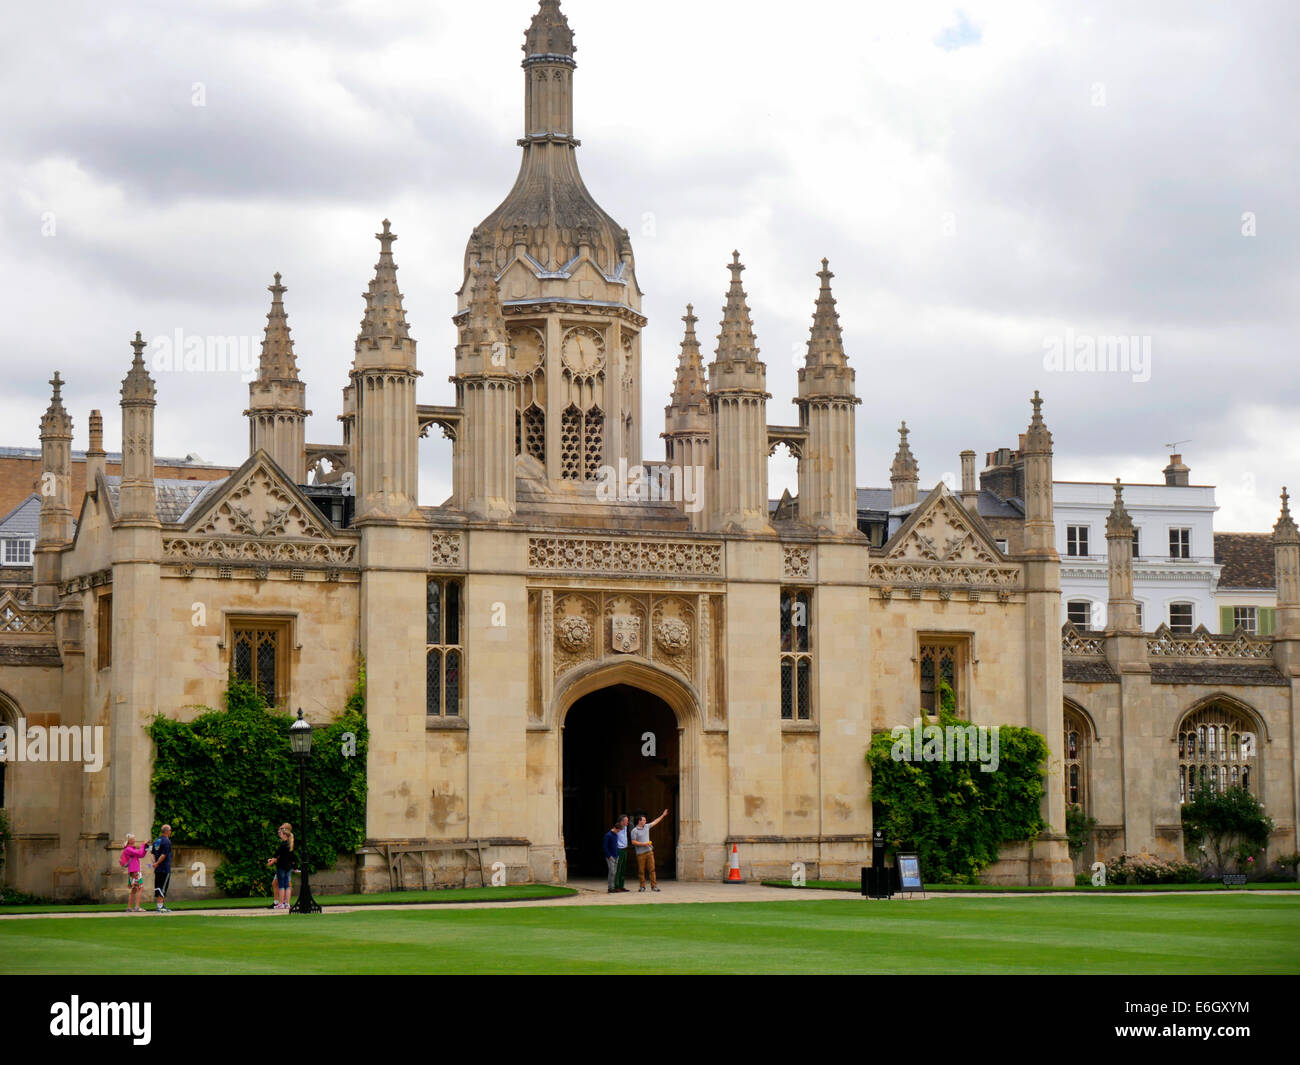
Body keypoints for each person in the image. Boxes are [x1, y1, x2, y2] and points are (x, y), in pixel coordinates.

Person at [631, 809, 668, 892]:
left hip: (649, 852)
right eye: (644, 820)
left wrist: (663, 815)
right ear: (639, 821)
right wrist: (645, 844)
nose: (645, 821)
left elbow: (655, 821)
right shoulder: (634, 831)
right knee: (641, 871)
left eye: (645, 820)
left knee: (652, 869)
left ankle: (654, 886)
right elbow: (633, 842)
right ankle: (642, 886)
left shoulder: (647, 826)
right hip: (640, 854)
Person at [265, 823, 295, 911]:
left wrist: (272, 861)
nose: (279, 832)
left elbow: (279, 855)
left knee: (284, 885)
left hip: (282, 866)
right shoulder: (288, 843)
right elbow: (287, 856)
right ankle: (284, 903)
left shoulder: (285, 844)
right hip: (286, 866)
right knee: (280, 884)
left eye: (281, 831)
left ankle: (282, 903)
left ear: (285, 833)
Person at [120, 834, 149, 913]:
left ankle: (129, 908)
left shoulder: (131, 849)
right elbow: (139, 853)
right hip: (135, 870)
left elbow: (141, 855)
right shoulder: (128, 849)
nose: (134, 840)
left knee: (134, 889)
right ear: (129, 841)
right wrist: (143, 844)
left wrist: (146, 848)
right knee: (140, 888)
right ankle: (137, 907)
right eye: (133, 839)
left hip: (134, 870)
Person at [150, 824, 173, 913]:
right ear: (167, 831)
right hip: (164, 868)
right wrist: (157, 863)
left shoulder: (157, 841)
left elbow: (152, 853)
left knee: (158, 887)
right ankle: (160, 907)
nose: (171, 832)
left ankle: (160, 905)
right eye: (170, 830)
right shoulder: (167, 841)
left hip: (158, 869)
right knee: (163, 887)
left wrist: (154, 863)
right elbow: (164, 855)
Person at [602, 818, 622, 894]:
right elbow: (605, 847)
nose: (618, 832)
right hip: (610, 857)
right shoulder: (608, 835)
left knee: (615, 872)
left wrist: (617, 855)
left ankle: (612, 887)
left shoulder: (616, 835)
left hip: (616, 856)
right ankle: (610, 888)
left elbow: (616, 845)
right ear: (615, 828)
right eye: (618, 830)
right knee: (612, 872)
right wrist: (609, 855)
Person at [614, 814, 630, 892]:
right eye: (626, 820)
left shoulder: (625, 827)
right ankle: (616, 886)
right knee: (618, 869)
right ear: (622, 821)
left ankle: (621, 885)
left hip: (624, 849)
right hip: (619, 850)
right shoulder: (617, 828)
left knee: (623, 869)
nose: (628, 822)